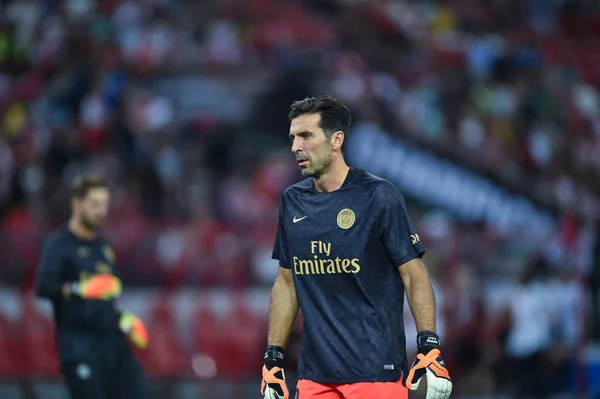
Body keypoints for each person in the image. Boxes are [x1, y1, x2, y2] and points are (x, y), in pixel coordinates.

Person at [260, 96, 452, 399]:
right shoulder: (292, 201)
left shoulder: (379, 196)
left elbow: (414, 275)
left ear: (336, 140)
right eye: (293, 137)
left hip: (375, 372)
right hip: (314, 376)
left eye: (306, 135)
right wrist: (273, 357)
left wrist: (429, 344)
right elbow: (286, 283)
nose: (296, 146)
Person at [35, 175, 152, 399]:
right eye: (95, 204)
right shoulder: (60, 245)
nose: (102, 211)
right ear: (77, 204)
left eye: (105, 205)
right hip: (80, 348)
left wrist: (125, 319)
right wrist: (79, 289)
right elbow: (43, 287)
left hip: (115, 347)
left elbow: (109, 295)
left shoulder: (103, 247)